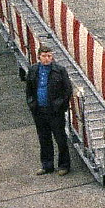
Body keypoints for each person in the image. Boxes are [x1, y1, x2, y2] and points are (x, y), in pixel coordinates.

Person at [25, 45, 73, 176]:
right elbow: (29, 89)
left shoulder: (59, 70)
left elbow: (67, 89)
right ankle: (47, 165)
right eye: (44, 56)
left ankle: (64, 165)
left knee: (60, 139)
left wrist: (60, 105)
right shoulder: (33, 70)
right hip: (39, 111)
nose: (47, 59)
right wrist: (32, 104)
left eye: (49, 56)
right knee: (44, 139)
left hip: (55, 111)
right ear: (39, 56)